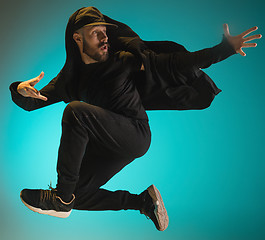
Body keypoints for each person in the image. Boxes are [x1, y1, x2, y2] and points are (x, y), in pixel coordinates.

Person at [9, 6, 261, 231]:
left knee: (75, 112)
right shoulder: (70, 78)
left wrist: (224, 49)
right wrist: (19, 90)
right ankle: (142, 202)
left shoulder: (125, 61)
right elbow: (34, 102)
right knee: (79, 194)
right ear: (77, 38)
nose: (104, 36)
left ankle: (60, 200)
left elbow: (177, 63)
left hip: (135, 133)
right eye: (96, 32)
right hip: (108, 143)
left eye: (105, 31)